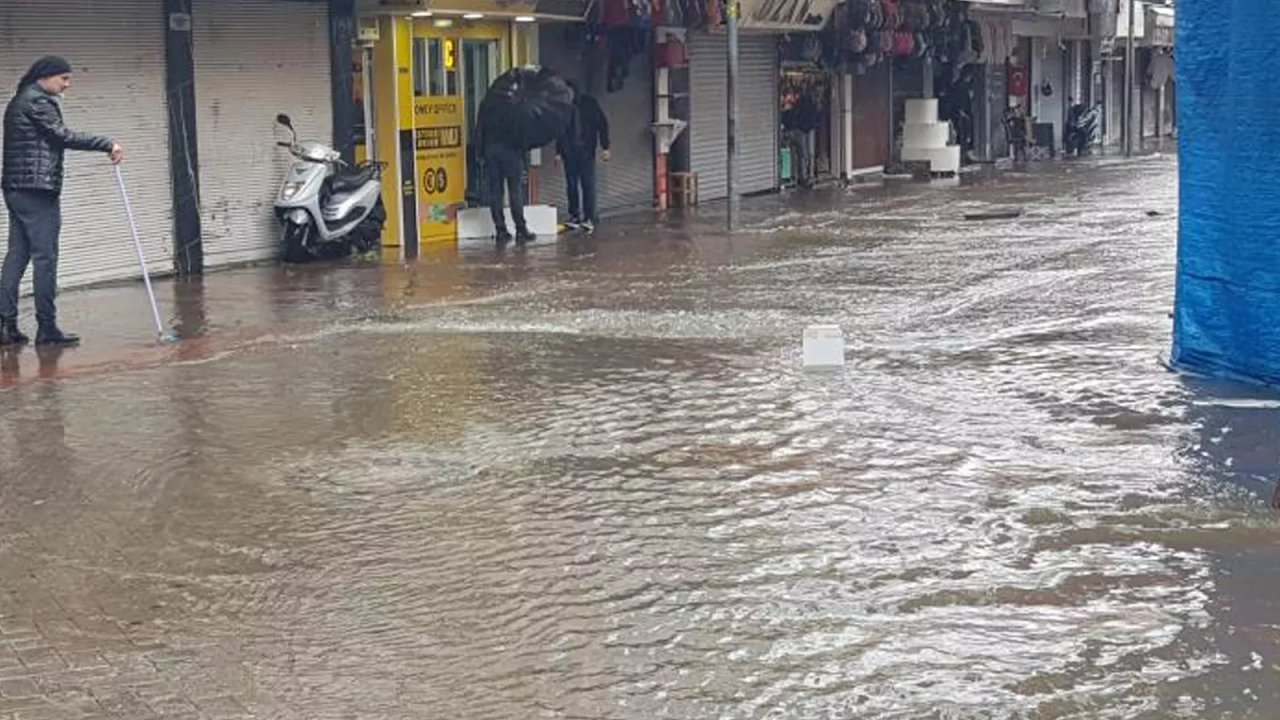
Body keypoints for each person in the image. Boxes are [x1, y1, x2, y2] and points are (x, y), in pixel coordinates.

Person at [0, 56, 123, 347]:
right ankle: (47, 329)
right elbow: (61, 135)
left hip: (17, 189)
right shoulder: (38, 101)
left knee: (17, 255)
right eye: (63, 78)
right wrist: (107, 143)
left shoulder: (20, 101)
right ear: (45, 77)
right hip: (37, 190)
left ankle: (6, 326)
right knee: (45, 258)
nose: (67, 84)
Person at [474, 93, 533, 247]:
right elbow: (522, 134)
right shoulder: (515, 105)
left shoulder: (486, 105)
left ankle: (501, 230)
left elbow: (479, 130)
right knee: (515, 191)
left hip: (491, 153)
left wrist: (480, 154)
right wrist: (525, 159)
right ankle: (521, 228)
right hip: (511, 153)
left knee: (496, 192)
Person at [556, 82, 611, 233]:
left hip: (586, 150)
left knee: (588, 184)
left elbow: (602, 124)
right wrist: (558, 152)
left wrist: (605, 147)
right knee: (571, 184)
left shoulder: (589, 104)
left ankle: (590, 217)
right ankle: (574, 215)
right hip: (569, 151)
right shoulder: (563, 107)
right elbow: (559, 130)